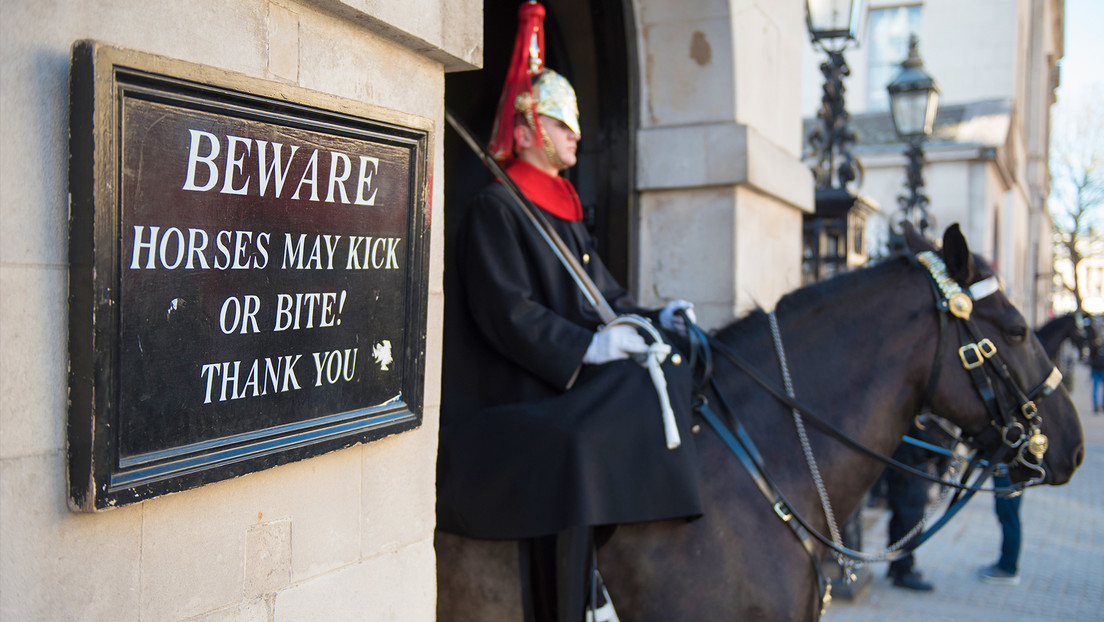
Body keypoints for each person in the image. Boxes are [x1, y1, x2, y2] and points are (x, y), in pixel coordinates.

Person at [437, 3, 703, 621]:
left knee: (659, 379)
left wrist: (652, 319)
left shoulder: (562, 208)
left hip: (562, 381)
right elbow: (509, 313)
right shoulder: (496, 209)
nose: (576, 135)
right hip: (516, 393)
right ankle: (573, 602)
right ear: (527, 130)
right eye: (563, 124)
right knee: (580, 444)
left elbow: (605, 296)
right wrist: (589, 347)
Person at [884, 423, 937, 591]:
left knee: (902, 518)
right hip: (909, 465)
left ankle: (897, 565)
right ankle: (903, 570)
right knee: (909, 519)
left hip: (904, 463)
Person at [977, 467, 1022, 585]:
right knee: (1008, 516)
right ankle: (1006, 563)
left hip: (1008, 472)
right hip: (1007, 471)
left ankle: (1008, 568)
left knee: (1009, 517)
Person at [1090, 340, 1104, 413]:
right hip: (1102, 369)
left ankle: (1096, 406)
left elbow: (1090, 357)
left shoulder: (1094, 345)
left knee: (1095, 388)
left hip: (1095, 369)